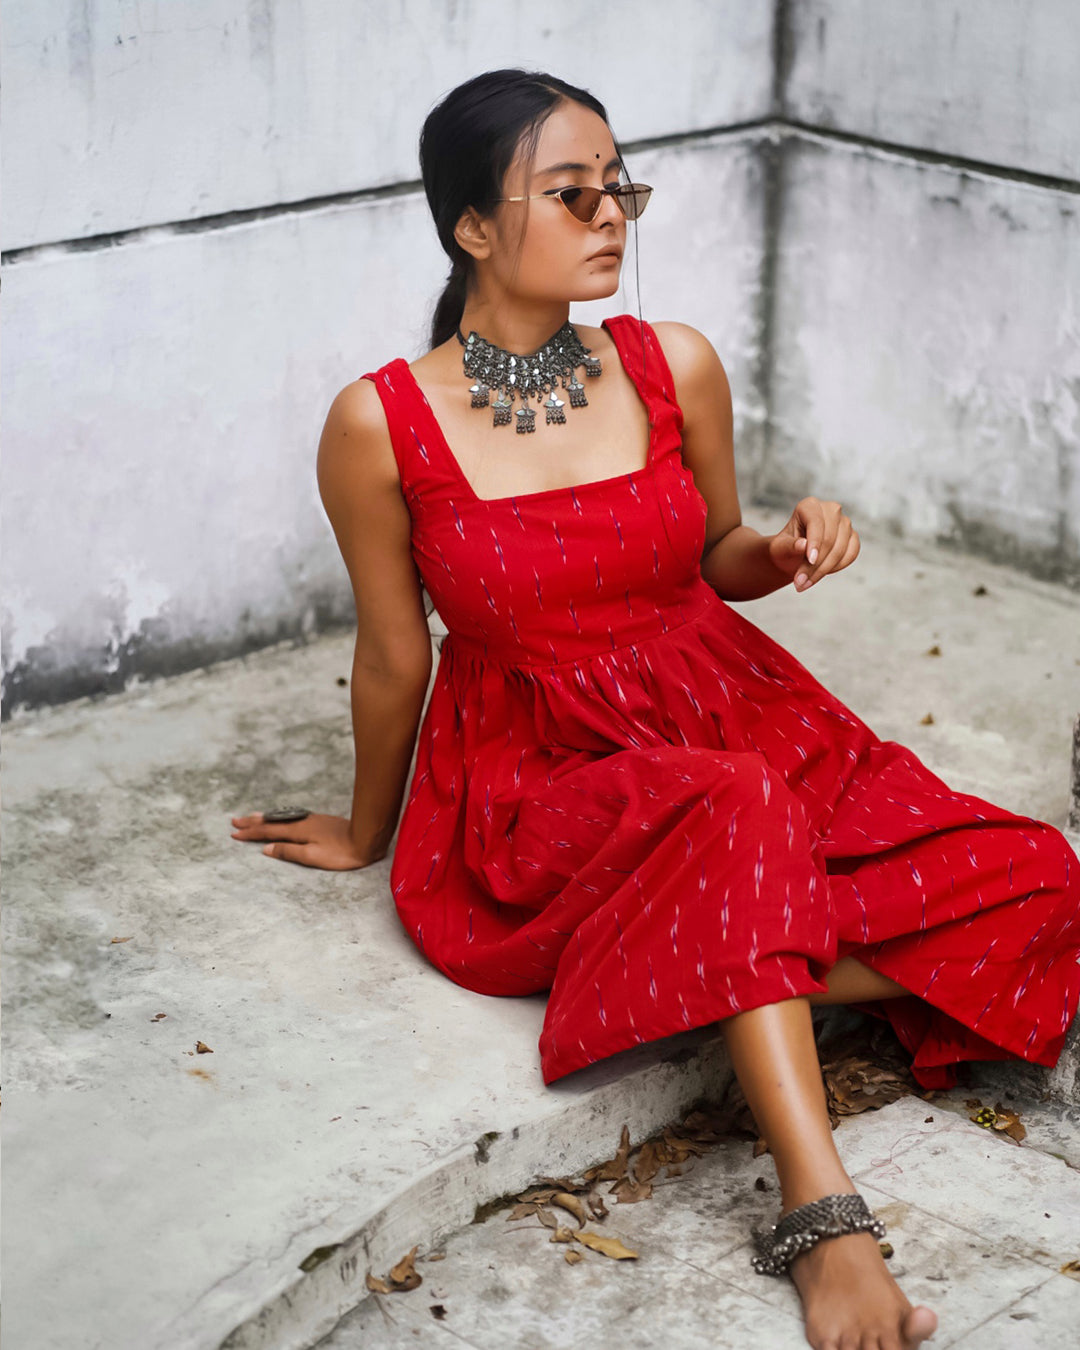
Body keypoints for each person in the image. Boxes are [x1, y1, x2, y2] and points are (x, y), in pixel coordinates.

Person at [231, 68, 1080, 1350]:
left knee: (1043, 877)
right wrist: (364, 828)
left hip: (740, 713)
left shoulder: (669, 361)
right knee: (735, 805)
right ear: (472, 226)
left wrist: (782, 549)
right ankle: (824, 1220)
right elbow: (394, 654)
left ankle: (717, 958)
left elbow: (717, 554)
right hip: (547, 783)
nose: (611, 217)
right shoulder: (380, 423)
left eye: (620, 188)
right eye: (571, 194)